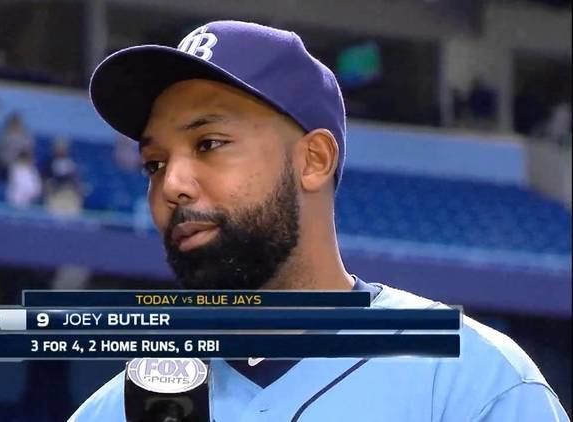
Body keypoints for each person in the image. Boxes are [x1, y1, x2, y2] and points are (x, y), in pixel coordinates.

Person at [71, 21, 569, 421]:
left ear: (313, 160)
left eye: (210, 144)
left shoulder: (471, 384)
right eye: (154, 164)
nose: (172, 184)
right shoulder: (112, 411)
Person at [42, 137, 84, 216]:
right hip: (54, 193)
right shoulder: (48, 163)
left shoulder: (72, 162)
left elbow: (77, 181)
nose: (61, 150)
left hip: (69, 193)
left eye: (63, 148)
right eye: (59, 148)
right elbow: (45, 180)